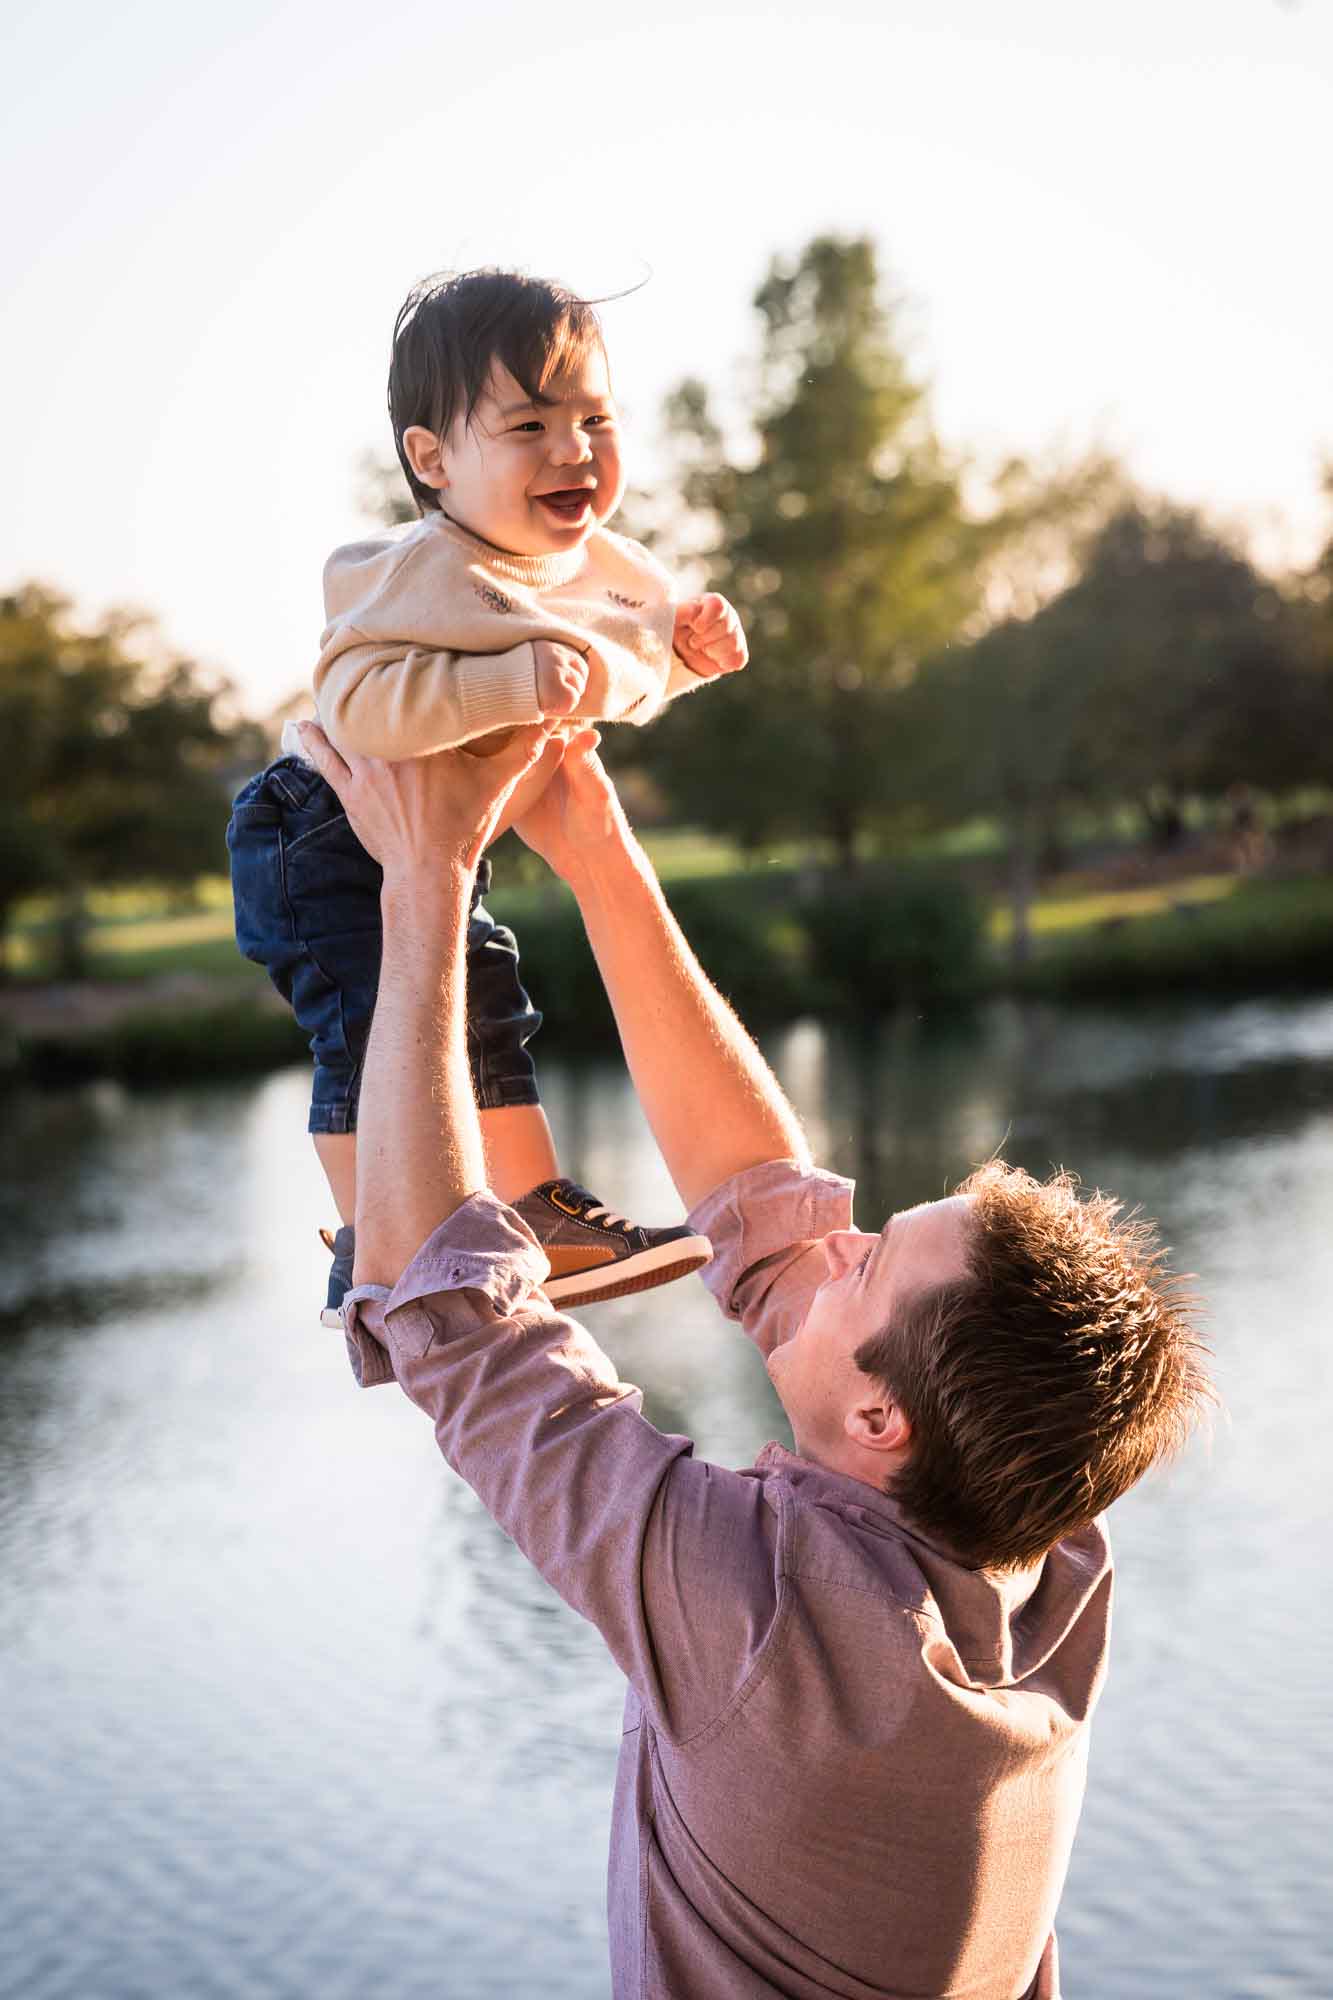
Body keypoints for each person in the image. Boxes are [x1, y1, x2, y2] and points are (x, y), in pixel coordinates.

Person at [295, 718, 1215, 2000]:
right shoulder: (1042, 1562)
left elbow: (457, 1320)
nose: (838, 1241)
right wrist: (591, 836)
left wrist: (425, 881)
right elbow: (774, 1217)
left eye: (871, 1259)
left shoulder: (765, 1624)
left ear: (884, 1419)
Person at [226, 268, 747, 1325]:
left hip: (430, 844)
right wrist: (504, 684)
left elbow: (608, 669)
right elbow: (359, 706)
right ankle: (371, 1238)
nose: (574, 449)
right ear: (432, 460)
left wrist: (680, 658)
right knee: (371, 1028)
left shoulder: (573, 567)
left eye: (594, 417)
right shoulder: (420, 571)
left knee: (491, 1009)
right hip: (318, 828)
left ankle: (534, 1212)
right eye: (528, 424)